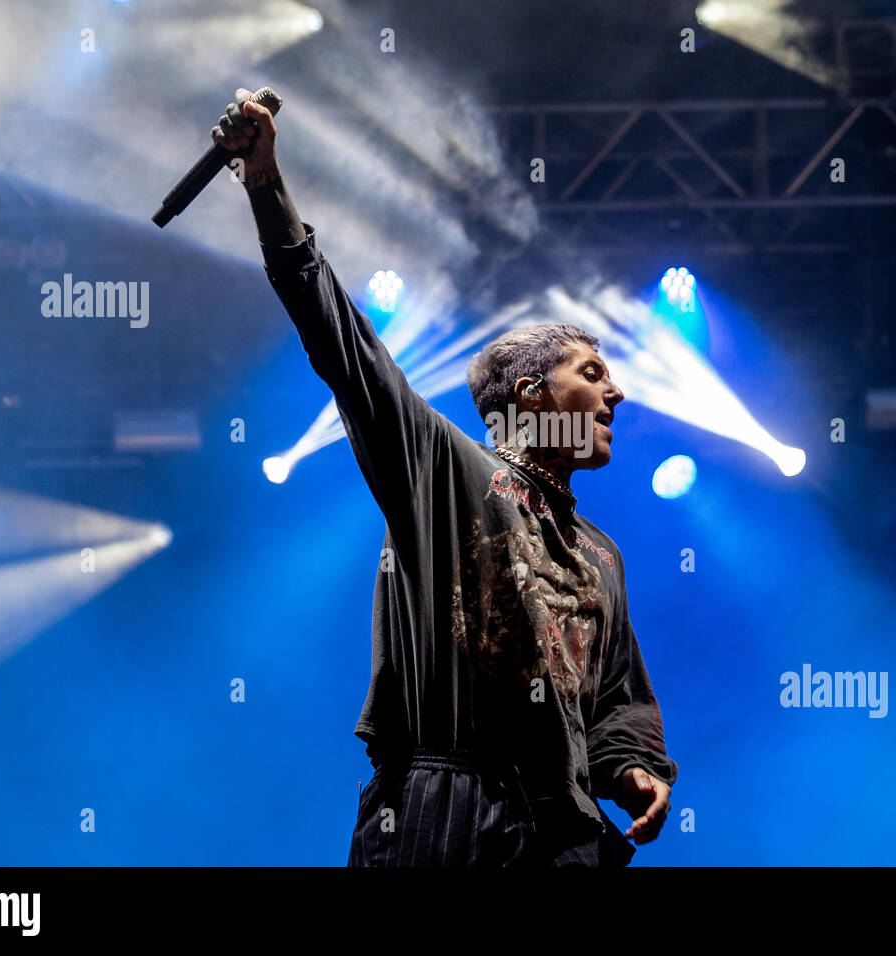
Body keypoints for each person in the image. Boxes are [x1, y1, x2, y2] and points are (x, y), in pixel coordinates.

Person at [212, 88, 678, 866]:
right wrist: (267, 186)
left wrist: (630, 769)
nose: (616, 392)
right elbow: (343, 344)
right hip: (448, 813)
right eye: (592, 372)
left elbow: (617, 701)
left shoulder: (603, 555)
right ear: (532, 393)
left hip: (559, 834)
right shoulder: (450, 469)